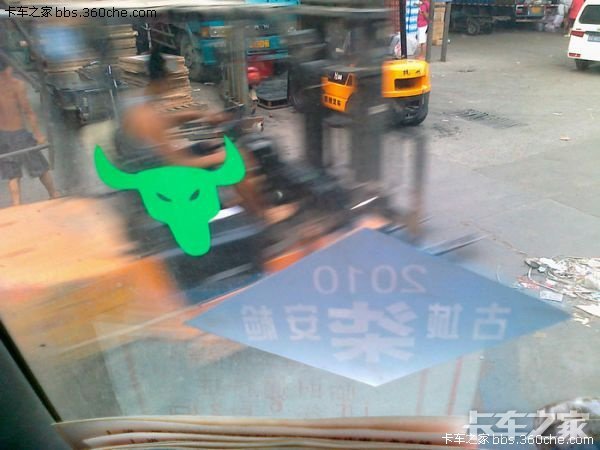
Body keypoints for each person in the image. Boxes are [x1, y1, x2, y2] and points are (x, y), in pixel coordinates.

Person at [116, 46, 294, 223]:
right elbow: (178, 163)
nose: (172, 84)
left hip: (155, 165)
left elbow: (165, 121)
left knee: (210, 146)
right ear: (163, 81)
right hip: (166, 175)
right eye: (170, 80)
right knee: (238, 159)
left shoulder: (140, 106)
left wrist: (201, 115)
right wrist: (223, 156)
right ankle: (262, 215)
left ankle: (239, 201)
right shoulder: (147, 118)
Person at [0, 58, 60, 206]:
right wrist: (38, 133)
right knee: (19, 171)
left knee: (28, 169)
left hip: (12, 135)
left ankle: (51, 194)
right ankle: (50, 194)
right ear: (8, 70)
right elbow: (28, 112)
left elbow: (28, 112)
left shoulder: (16, 85)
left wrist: (38, 133)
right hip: (12, 135)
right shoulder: (16, 85)